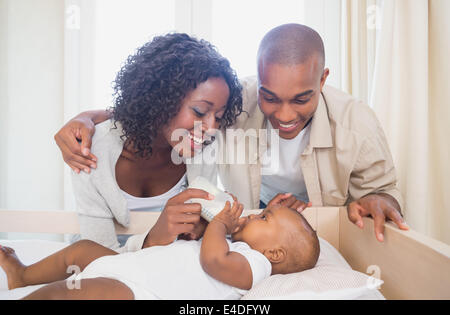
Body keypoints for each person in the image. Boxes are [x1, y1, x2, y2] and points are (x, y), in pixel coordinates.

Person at [54, 24, 409, 242]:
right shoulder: (236, 103)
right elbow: (159, 107)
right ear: (258, 80)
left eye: (301, 99)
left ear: (323, 80)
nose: (285, 115)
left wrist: (383, 199)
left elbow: (382, 193)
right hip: (251, 213)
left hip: (311, 226)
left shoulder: (356, 121)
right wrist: (87, 118)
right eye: (271, 97)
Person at [61, 32, 244, 252]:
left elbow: (195, 239)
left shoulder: (202, 149)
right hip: (102, 270)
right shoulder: (90, 151)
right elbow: (95, 261)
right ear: (161, 100)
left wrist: (206, 225)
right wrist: (151, 241)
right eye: (200, 111)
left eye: (219, 117)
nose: (211, 128)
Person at [0, 202, 320, 300]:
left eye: (264, 218)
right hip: (129, 265)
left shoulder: (255, 263)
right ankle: (23, 274)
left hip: (139, 290)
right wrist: (203, 230)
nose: (253, 214)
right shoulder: (233, 245)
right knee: (81, 249)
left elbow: (212, 262)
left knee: (68, 294)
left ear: (275, 254)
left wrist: (220, 226)